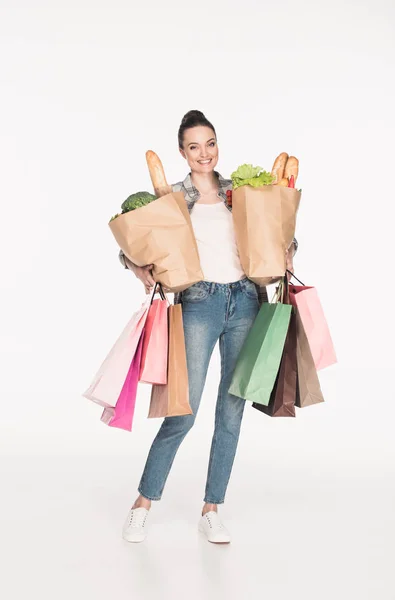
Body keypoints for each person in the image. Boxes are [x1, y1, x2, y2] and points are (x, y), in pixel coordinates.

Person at [118, 110, 298, 544]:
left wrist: (288, 249)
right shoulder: (173, 197)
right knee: (183, 409)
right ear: (182, 152)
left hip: (245, 302)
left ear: (218, 146)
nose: (204, 153)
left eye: (210, 143)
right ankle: (143, 503)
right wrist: (136, 266)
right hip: (199, 302)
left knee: (231, 411)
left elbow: (280, 234)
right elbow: (136, 244)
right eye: (194, 146)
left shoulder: (243, 192)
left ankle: (212, 508)